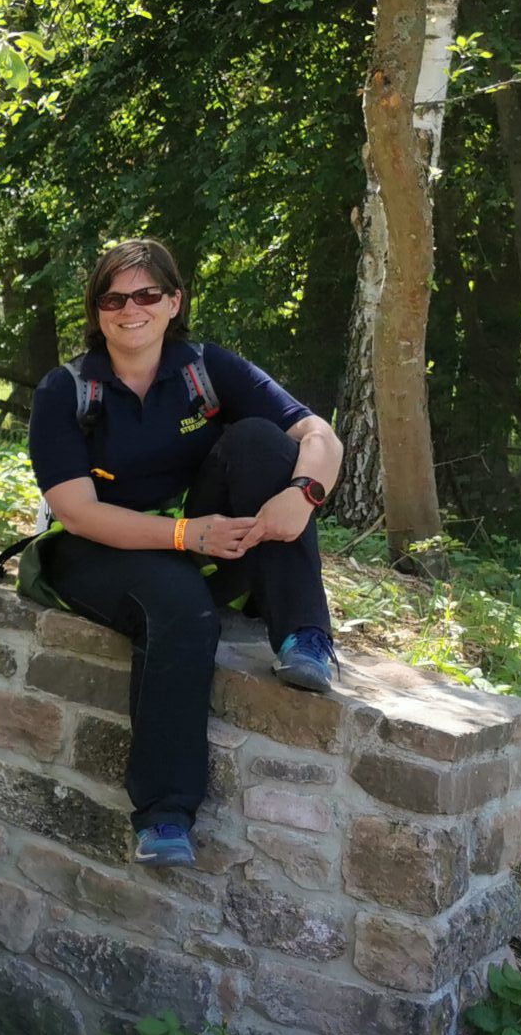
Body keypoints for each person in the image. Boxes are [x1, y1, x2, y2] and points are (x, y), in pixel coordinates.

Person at [21, 237, 342, 868]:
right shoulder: (66, 391)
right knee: (180, 603)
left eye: (146, 294)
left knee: (260, 441)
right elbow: (77, 512)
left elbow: (317, 434)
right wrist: (185, 536)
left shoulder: (205, 367)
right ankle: (164, 813)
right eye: (113, 298)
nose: (129, 309)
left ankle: (304, 637)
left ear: (174, 302)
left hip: (201, 535)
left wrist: (304, 494)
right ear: (96, 310)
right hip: (97, 549)